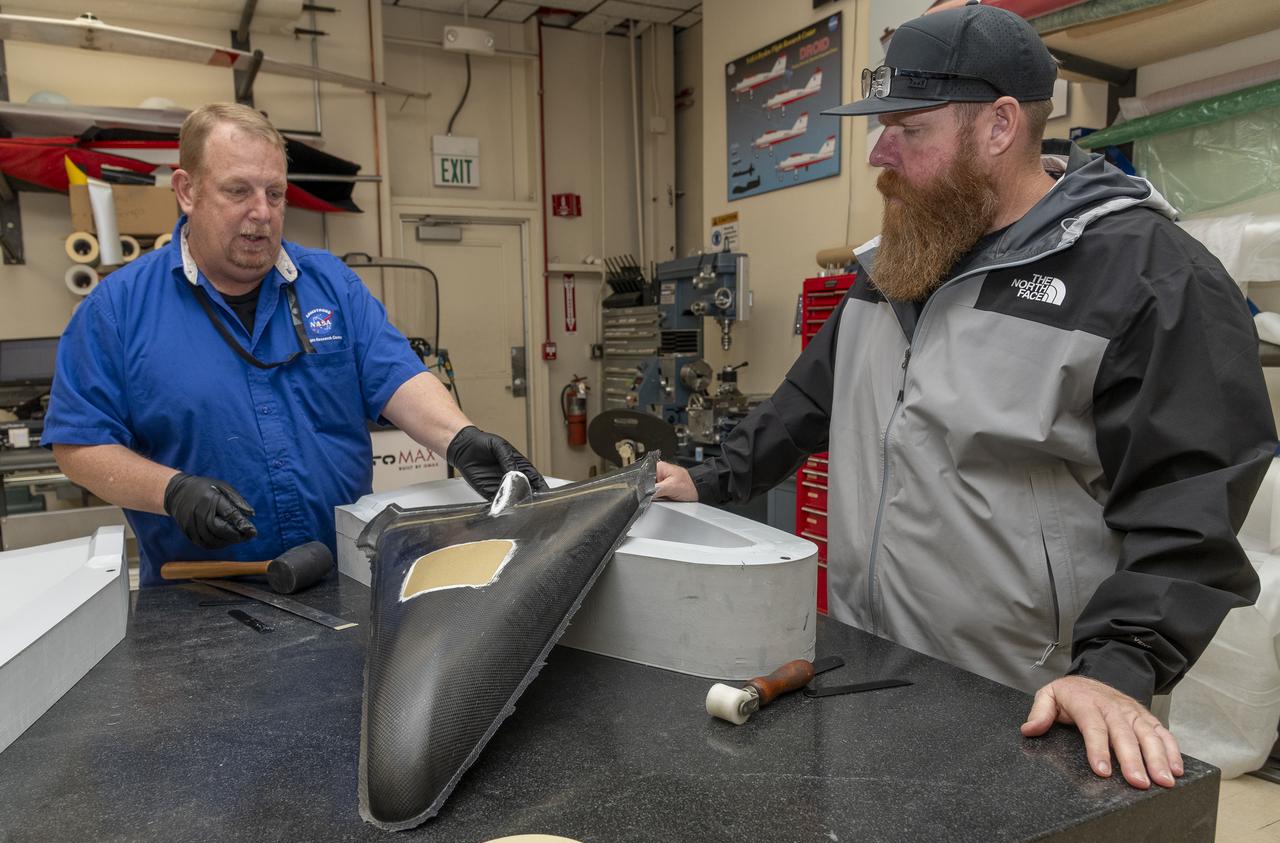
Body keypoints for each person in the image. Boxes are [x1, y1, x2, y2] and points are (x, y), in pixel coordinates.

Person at [657, 2, 1276, 791]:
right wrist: (706, 480)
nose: (879, 152)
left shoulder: (1148, 276)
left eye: (908, 129)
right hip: (871, 666)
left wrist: (1117, 668)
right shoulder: (895, 267)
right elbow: (806, 403)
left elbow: (1189, 502)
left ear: (999, 126)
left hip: (1025, 706)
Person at [44, 103, 544, 587]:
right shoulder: (117, 310)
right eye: (238, 191)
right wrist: (171, 491)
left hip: (342, 577)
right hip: (200, 595)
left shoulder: (331, 285)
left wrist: (459, 437)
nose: (262, 212)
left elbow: (395, 375)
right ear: (187, 190)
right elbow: (80, 445)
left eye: (275, 193)